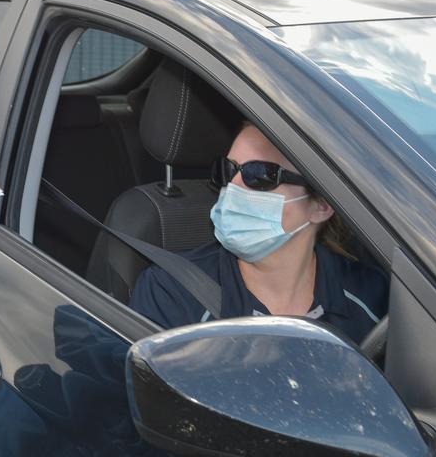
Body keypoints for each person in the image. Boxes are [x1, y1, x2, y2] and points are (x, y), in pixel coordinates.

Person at [130, 123, 387, 344]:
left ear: (321, 206)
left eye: (260, 175)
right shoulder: (171, 291)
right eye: (229, 170)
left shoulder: (373, 297)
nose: (233, 186)